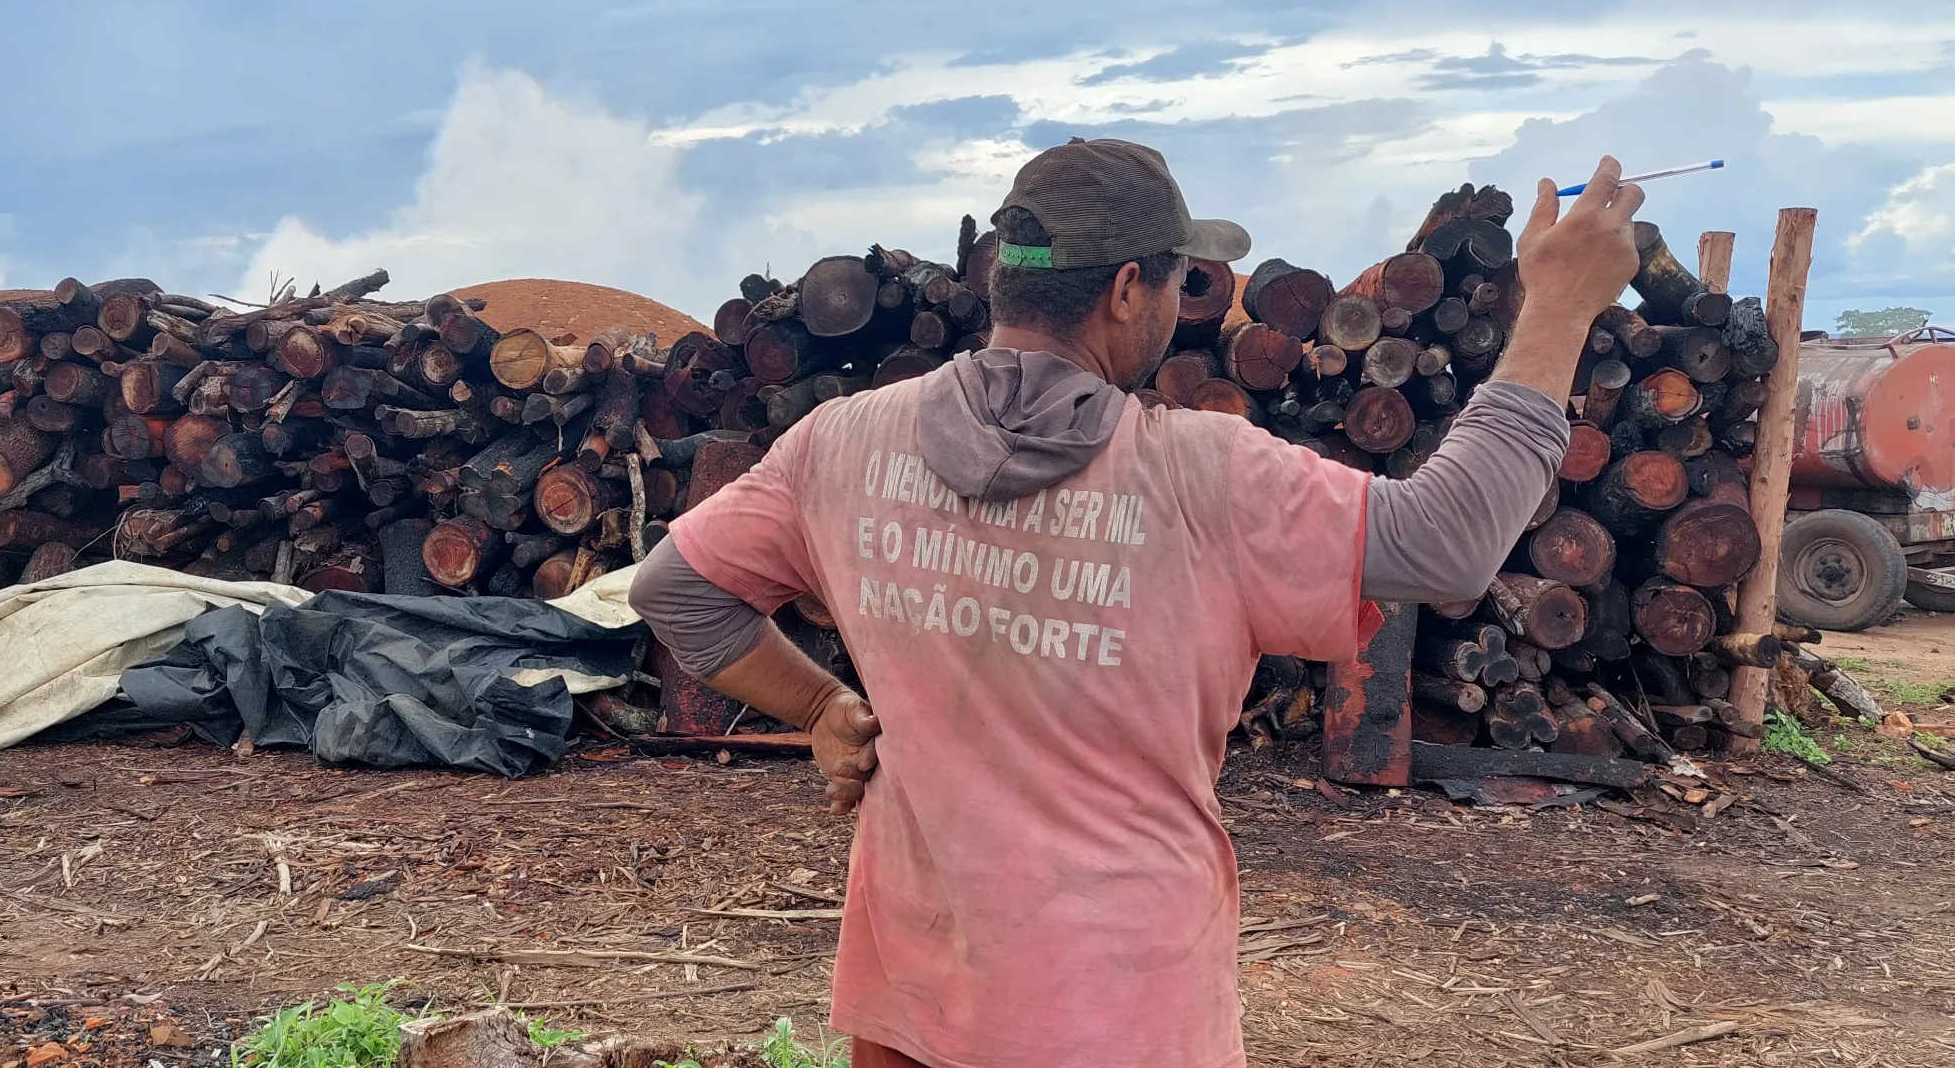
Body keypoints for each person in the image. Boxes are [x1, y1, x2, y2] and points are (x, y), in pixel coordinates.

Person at [630, 140, 1645, 1068]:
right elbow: (1452, 541)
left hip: (914, 992)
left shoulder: (842, 444)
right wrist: (1558, 307)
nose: (1178, 302)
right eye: (1179, 278)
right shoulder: (1203, 477)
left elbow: (676, 590)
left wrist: (818, 708)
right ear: (1126, 289)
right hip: (1119, 1013)